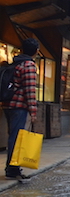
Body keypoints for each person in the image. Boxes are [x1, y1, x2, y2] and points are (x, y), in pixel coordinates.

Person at [3, 38, 39, 181]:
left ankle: (13, 167)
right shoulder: (28, 65)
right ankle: (12, 169)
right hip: (19, 106)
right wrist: (33, 111)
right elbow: (30, 90)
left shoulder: (16, 63)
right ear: (36, 51)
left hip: (8, 104)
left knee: (13, 136)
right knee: (16, 138)